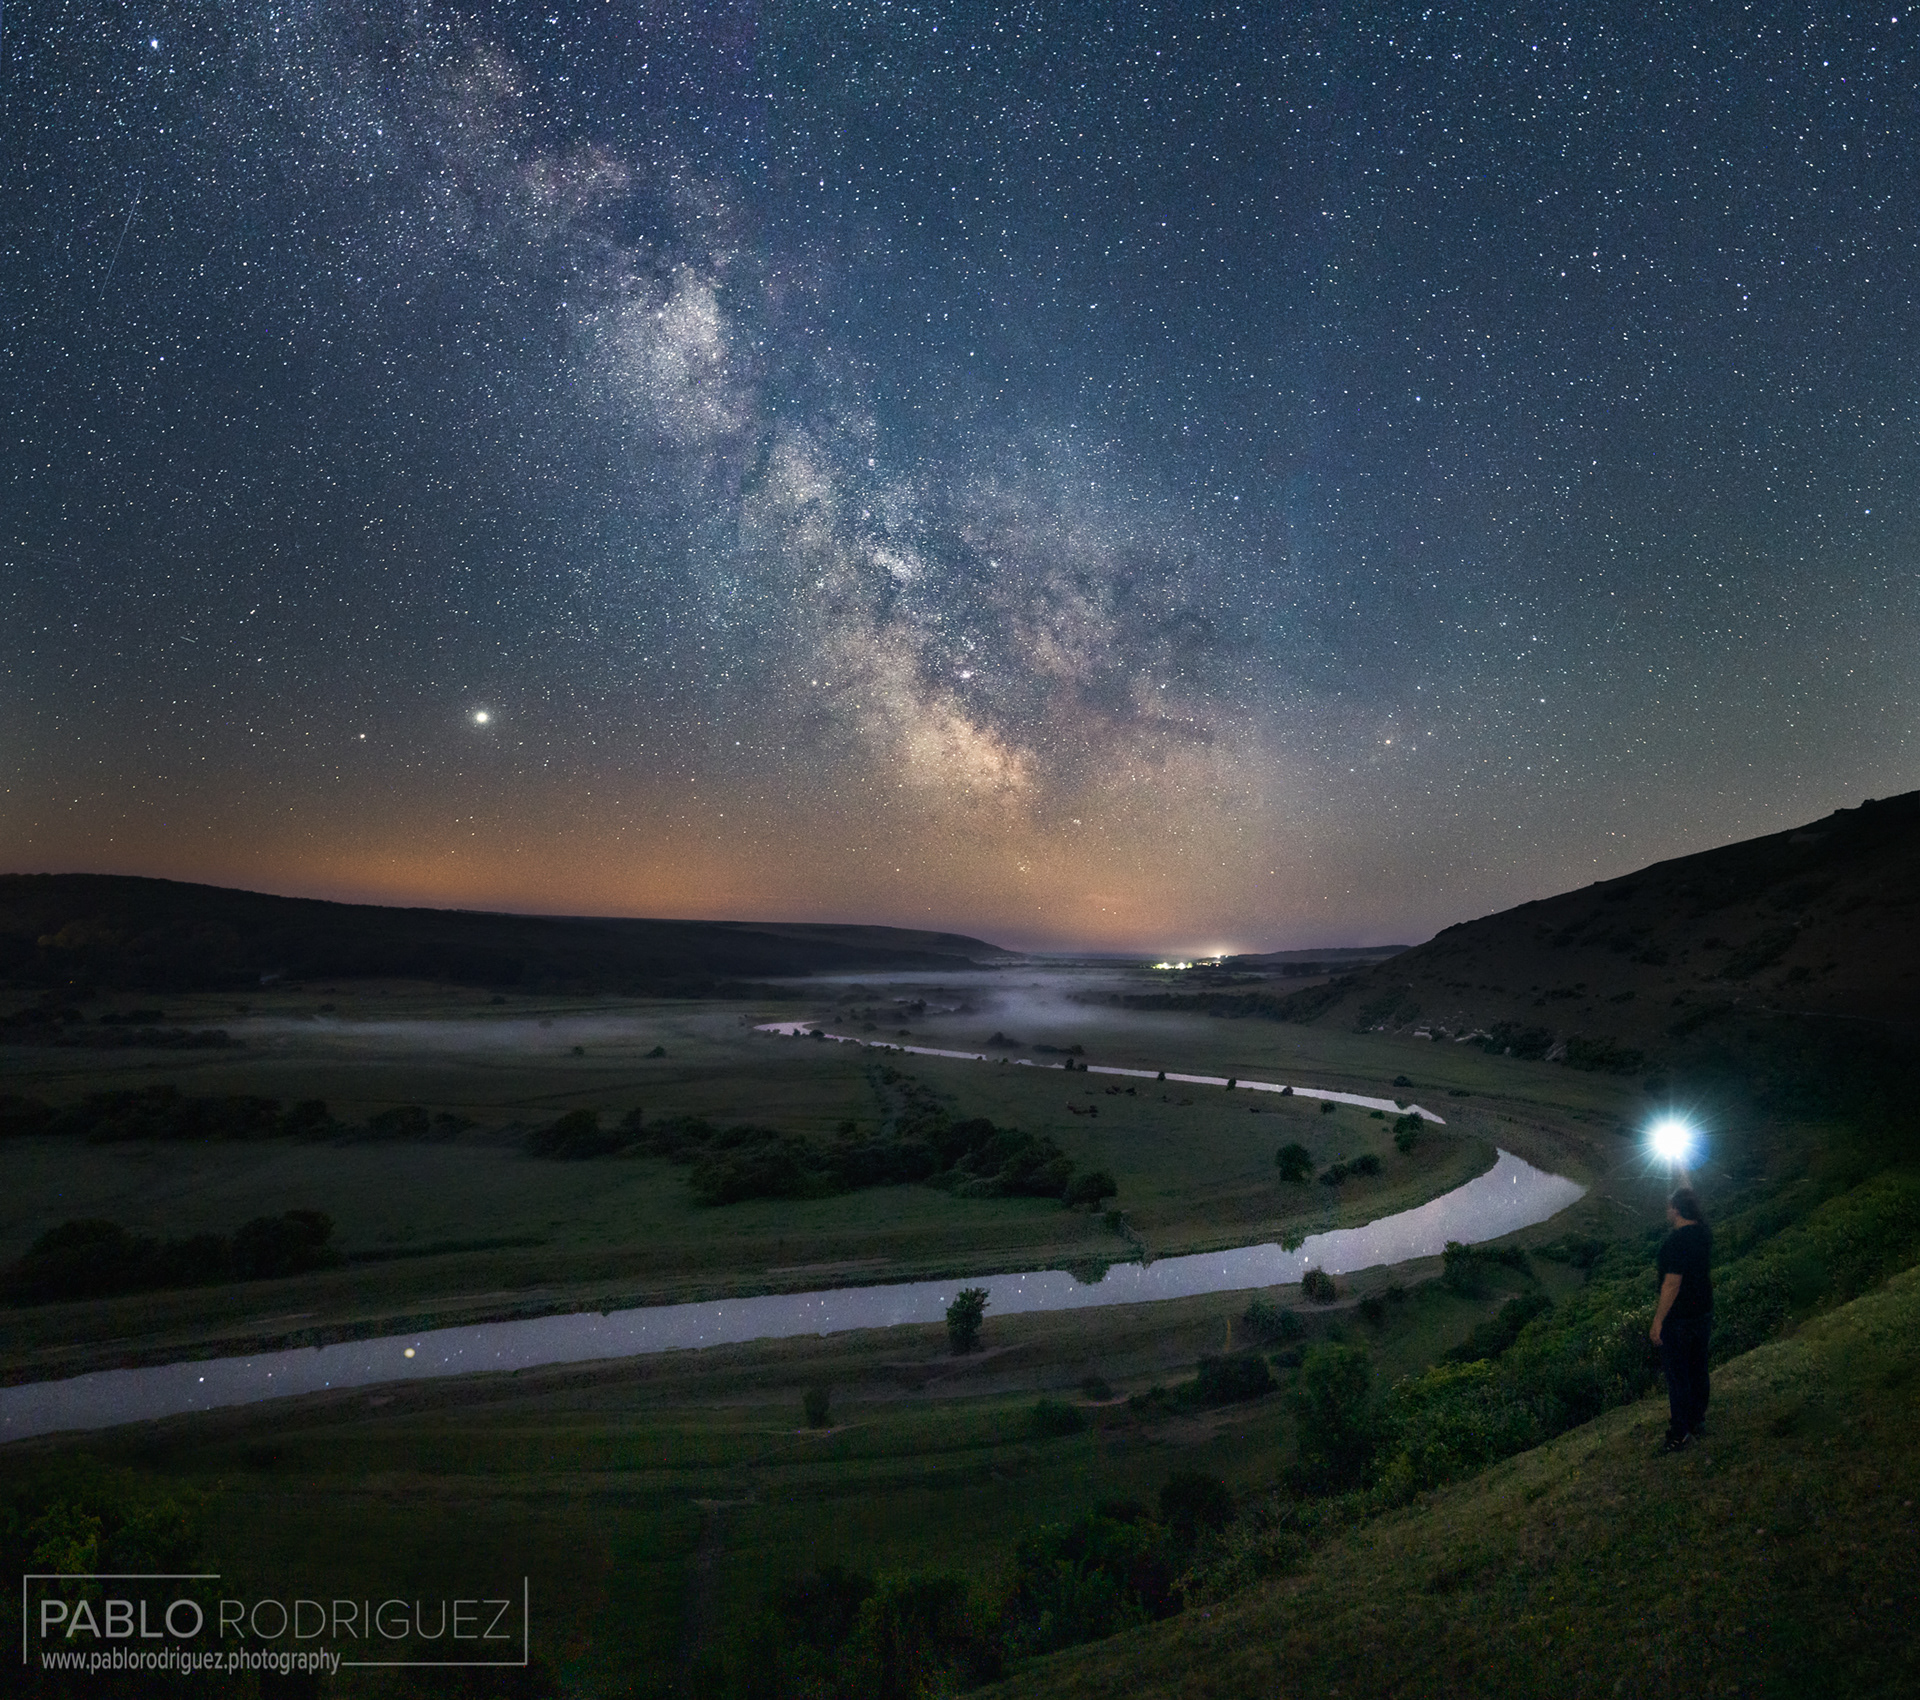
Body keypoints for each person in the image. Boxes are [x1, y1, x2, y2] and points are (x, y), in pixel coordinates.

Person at [1649, 1185, 1713, 1452]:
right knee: (1698, 1368)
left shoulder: (1676, 1242)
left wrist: (1658, 1321)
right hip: (1703, 1312)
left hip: (1680, 1319)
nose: (1667, 1211)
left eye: (1669, 1207)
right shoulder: (1703, 1233)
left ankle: (1679, 1433)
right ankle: (1696, 1420)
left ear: (1676, 1209)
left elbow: (1672, 1284)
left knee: (1678, 1377)